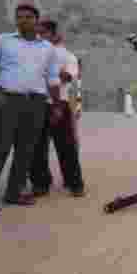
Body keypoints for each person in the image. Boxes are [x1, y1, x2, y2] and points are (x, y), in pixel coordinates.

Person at [0, 3, 61, 213]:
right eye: (19, 17)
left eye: (28, 17)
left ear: (37, 20)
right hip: (9, 99)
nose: (23, 20)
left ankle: (15, 192)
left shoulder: (47, 48)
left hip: (37, 101)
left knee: (26, 150)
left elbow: (52, 77)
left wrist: (56, 105)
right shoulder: (2, 41)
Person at [29, 19, 85, 197]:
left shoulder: (67, 56)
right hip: (36, 103)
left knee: (66, 146)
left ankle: (74, 183)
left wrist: (45, 72)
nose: (39, 36)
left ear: (54, 35)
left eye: (43, 33)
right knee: (37, 146)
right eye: (37, 33)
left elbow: (67, 77)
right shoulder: (32, 54)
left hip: (59, 103)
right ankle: (40, 183)